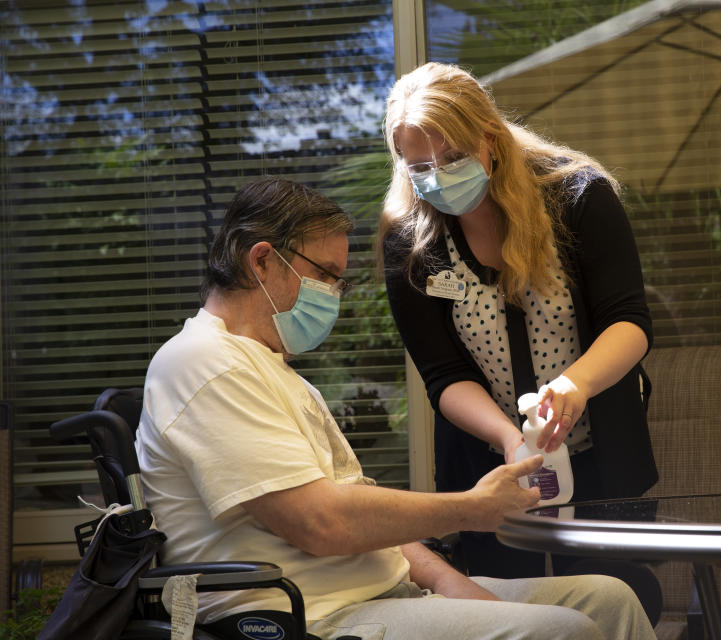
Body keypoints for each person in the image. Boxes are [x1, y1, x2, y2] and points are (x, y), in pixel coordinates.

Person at [134, 176, 656, 640]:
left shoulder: (268, 369)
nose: (335, 293)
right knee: (566, 632)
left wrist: (450, 582)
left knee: (610, 599)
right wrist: (471, 508)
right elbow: (321, 524)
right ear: (263, 259)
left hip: (380, 594)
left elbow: (359, 515)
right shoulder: (205, 364)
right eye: (326, 274)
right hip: (311, 618)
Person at [377, 62, 659, 581]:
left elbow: (629, 323)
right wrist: (511, 441)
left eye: (455, 156)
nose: (438, 177)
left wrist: (575, 386)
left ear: (491, 138)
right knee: (507, 605)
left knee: (619, 594)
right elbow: (443, 376)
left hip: (603, 452)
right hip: (489, 468)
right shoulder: (410, 242)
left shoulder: (577, 198)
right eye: (419, 168)